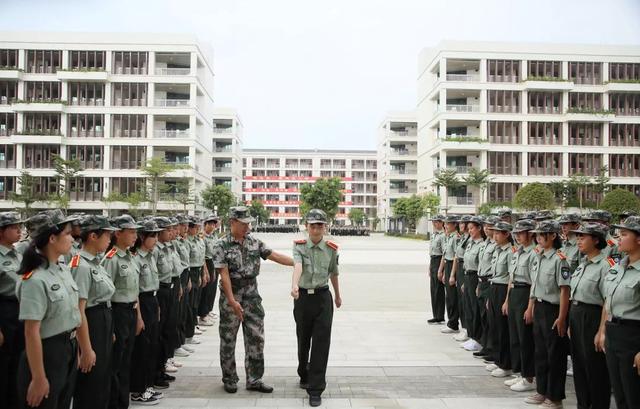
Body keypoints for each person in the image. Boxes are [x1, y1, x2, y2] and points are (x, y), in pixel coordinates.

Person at [212, 206, 294, 394]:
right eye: (243, 224)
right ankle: (230, 378)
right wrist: (232, 301)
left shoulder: (254, 242)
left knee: (256, 338)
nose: (247, 227)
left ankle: (255, 379)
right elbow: (223, 275)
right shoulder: (221, 245)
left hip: (252, 296)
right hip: (230, 295)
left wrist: (297, 263)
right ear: (232, 222)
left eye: (248, 223)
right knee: (228, 339)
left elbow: (274, 256)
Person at [15, 210, 81, 409]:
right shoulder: (34, 280)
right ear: (52, 238)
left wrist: (75, 348)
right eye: (68, 234)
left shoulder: (63, 270)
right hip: (46, 352)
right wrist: (38, 377)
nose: (72, 238)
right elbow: (31, 331)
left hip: (68, 348)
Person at [291, 209, 342, 407]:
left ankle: (316, 388)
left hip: (323, 298)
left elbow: (334, 273)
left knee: (321, 342)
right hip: (303, 298)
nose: (316, 228)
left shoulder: (331, 248)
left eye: (320, 225)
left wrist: (337, 295)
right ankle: (304, 372)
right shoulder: (299, 246)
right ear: (306, 227)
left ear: (325, 227)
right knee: (303, 339)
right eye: (312, 225)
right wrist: (294, 285)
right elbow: (297, 266)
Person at [70, 215, 118, 409]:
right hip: (91, 324)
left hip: (103, 320)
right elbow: (79, 310)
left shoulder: (95, 262)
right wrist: (86, 348)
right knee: (92, 381)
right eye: (107, 235)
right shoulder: (80, 265)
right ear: (92, 236)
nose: (109, 240)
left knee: (104, 377)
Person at [526, 220, 571, 408]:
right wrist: (531, 307)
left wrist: (561, 318)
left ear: (553, 235)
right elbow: (535, 285)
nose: (537, 238)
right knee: (541, 352)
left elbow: (564, 290)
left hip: (554, 310)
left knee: (555, 356)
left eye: (541, 234)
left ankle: (555, 397)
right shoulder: (538, 256)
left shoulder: (560, 260)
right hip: (540, 307)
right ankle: (541, 390)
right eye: (536, 235)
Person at [103, 215, 146, 409]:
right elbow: (106, 295)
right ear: (117, 233)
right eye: (131, 232)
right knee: (116, 363)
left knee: (127, 360)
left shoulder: (130, 256)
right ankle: (114, 403)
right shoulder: (110, 259)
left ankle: (123, 402)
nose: (135, 236)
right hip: (117, 313)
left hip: (130, 312)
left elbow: (134, 291)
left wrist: (138, 317)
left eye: (136, 232)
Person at [597, 215, 640, 409]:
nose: (618, 238)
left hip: (633, 336)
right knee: (619, 392)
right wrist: (603, 331)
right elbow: (608, 302)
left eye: (623, 234)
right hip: (613, 332)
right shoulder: (618, 267)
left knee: (634, 393)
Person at [569, 223, 611, 409]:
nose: (579, 240)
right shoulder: (582, 264)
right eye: (577, 237)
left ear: (596, 240)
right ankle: (583, 404)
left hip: (593, 316)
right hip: (577, 315)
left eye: (583, 237)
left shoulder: (605, 266)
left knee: (595, 367)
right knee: (579, 364)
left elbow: (607, 301)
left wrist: (601, 330)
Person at [130, 219, 164, 405]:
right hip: (141, 302)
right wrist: (139, 316)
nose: (156, 239)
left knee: (152, 346)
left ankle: (147, 385)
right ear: (142, 237)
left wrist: (156, 305)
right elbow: (135, 291)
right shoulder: (135, 258)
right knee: (142, 349)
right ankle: (137, 389)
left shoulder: (151, 256)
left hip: (152, 299)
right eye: (153, 236)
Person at [505, 219, 537, 392]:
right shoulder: (518, 252)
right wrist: (507, 300)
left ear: (530, 234)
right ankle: (519, 372)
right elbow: (511, 278)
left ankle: (529, 377)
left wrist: (530, 307)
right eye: (515, 233)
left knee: (525, 338)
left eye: (521, 233)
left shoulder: (534, 253)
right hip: (515, 293)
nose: (517, 236)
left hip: (526, 294)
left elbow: (534, 282)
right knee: (515, 336)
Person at [0, 212, 24, 409]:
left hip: (20, 311)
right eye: (14, 227)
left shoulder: (17, 253)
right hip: (4, 312)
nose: (19, 230)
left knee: (18, 361)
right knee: (4, 363)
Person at [152, 216, 180, 386]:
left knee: (168, 330)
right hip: (159, 292)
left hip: (169, 288)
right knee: (159, 333)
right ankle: (156, 372)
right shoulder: (155, 250)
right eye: (168, 230)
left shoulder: (167, 248)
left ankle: (162, 367)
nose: (171, 233)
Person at [486, 221, 514, 378]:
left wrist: (507, 300)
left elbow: (511, 277)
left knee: (503, 328)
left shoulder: (511, 252)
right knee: (494, 325)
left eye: (498, 233)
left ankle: (505, 364)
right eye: (494, 233)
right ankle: (497, 359)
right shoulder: (497, 250)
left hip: (504, 289)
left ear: (507, 234)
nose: (495, 236)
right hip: (494, 287)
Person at [460, 216, 484, 353]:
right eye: (468, 229)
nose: (469, 231)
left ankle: (478, 339)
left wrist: (478, 284)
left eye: (472, 228)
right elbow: (466, 262)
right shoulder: (470, 243)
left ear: (479, 228)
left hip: (476, 277)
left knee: (475, 309)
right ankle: (471, 335)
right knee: (468, 307)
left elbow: (480, 265)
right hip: (468, 276)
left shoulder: (481, 245)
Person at [438, 215, 460, 334]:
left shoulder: (456, 237)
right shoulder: (447, 237)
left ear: (454, 225)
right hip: (447, 265)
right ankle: (451, 322)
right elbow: (444, 255)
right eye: (445, 224)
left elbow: (456, 256)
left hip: (453, 266)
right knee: (448, 297)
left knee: (452, 298)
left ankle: (453, 323)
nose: (445, 226)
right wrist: (440, 270)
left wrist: (452, 274)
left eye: (448, 224)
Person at [452, 216, 471, 344]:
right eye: (462, 223)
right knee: (461, 299)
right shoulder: (462, 238)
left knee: (466, 301)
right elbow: (456, 256)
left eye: (465, 223)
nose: (462, 225)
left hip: (466, 267)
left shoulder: (470, 240)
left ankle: (467, 329)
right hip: (460, 266)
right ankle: (464, 327)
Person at [199, 214, 220, 327]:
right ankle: (203, 314)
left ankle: (208, 310)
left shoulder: (213, 236)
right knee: (206, 290)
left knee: (212, 289)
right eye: (210, 224)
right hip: (206, 262)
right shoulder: (202, 237)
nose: (212, 226)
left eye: (213, 224)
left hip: (213, 262)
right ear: (205, 225)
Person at [427, 215, 446, 325]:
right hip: (433, 260)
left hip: (439, 261)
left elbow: (444, 253)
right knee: (433, 289)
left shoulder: (443, 236)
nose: (434, 224)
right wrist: (430, 267)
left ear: (441, 223)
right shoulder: (434, 235)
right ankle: (435, 315)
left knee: (439, 291)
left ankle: (440, 316)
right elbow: (432, 252)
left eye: (436, 222)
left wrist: (440, 269)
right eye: (433, 222)